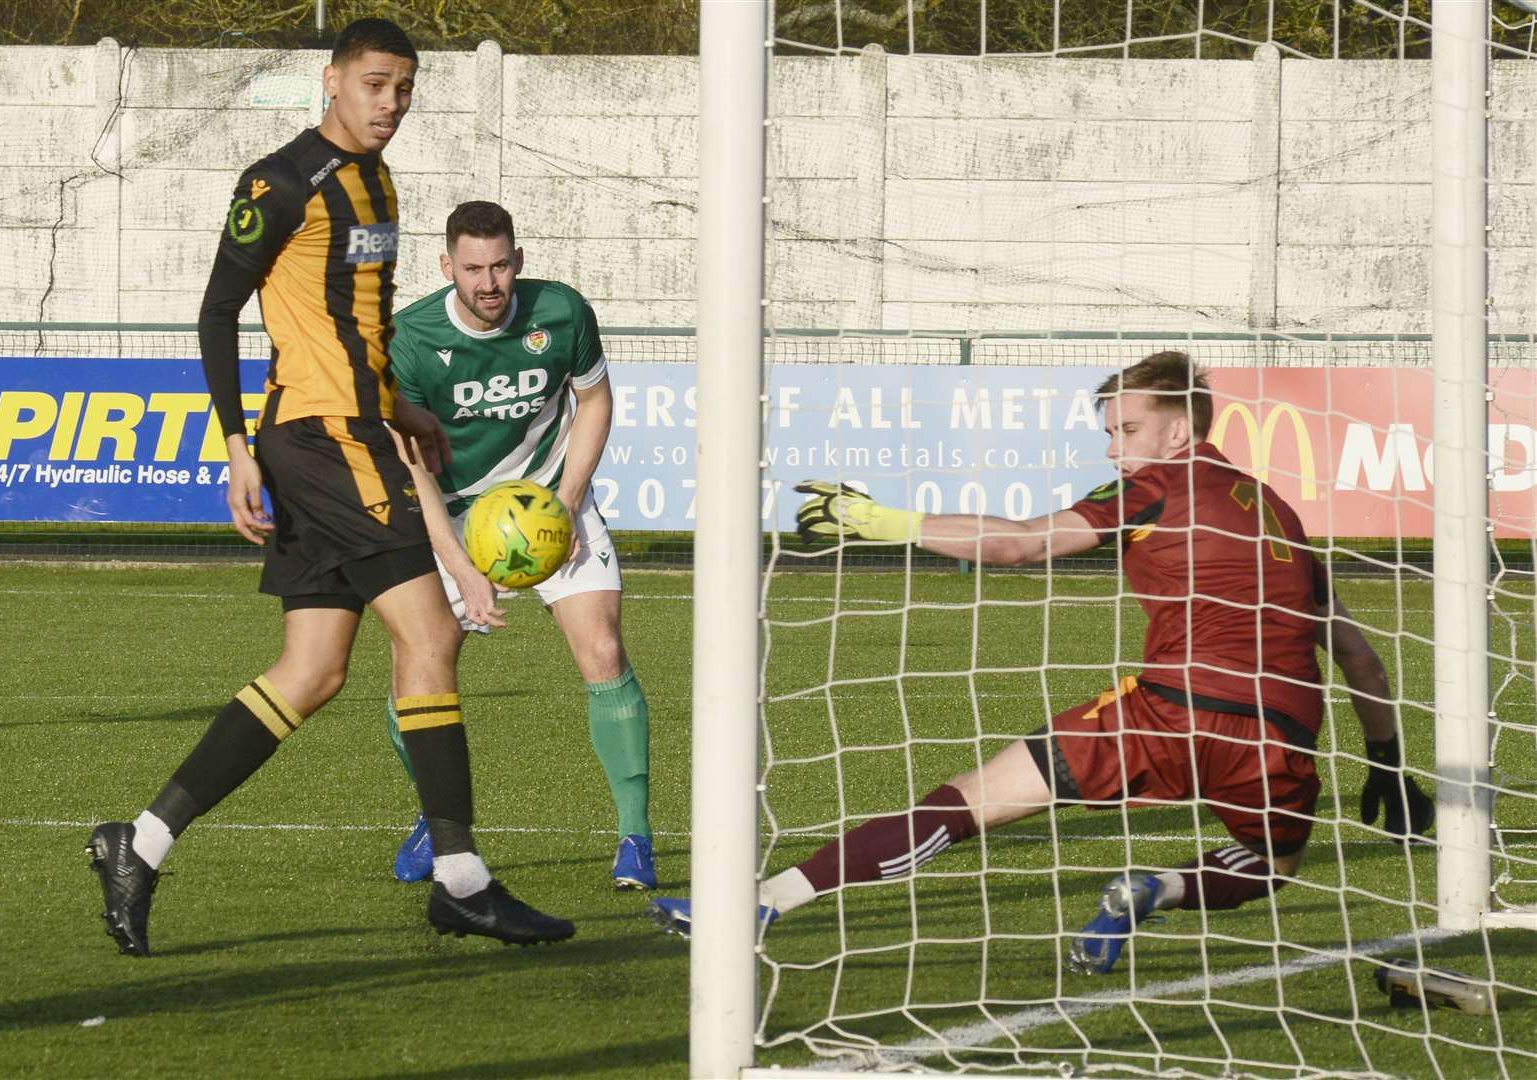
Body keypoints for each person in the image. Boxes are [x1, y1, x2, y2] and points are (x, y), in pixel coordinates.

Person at [649, 350, 1434, 974]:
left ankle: (762, 902)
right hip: (1278, 735)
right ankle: (1152, 888)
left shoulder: (1159, 485)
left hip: (1165, 711)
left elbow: (1023, 542)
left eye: (1124, 429)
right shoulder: (1278, 513)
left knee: (965, 803)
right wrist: (1388, 765)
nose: (1111, 445)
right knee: (1272, 864)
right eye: (1107, 430)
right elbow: (1358, 659)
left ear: (1175, 430)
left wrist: (887, 520)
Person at [84, 20, 573, 956]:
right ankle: (462, 882)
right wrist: (236, 446)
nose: (391, 103)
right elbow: (218, 310)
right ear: (332, 83)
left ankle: (137, 844)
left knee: (311, 674)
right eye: (377, 84)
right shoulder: (279, 184)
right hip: (319, 439)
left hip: (349, 425)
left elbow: (355, 322)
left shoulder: (379, 183)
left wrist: (401, 404)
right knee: (431, 635)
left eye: (404, 88)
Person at [380, 200, 656, 891]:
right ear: (447, 267)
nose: (489, 282)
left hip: (546, 499)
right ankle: (437, 819)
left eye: (500, 264)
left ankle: (635, 837)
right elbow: (410, 468)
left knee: (603, 651)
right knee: (418, 673)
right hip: (454, 515)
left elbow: (593, 402)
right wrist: (458, 565)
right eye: (472, 268)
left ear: (518, 260)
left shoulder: (560, 313)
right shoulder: (408, 339)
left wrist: (562, 503)